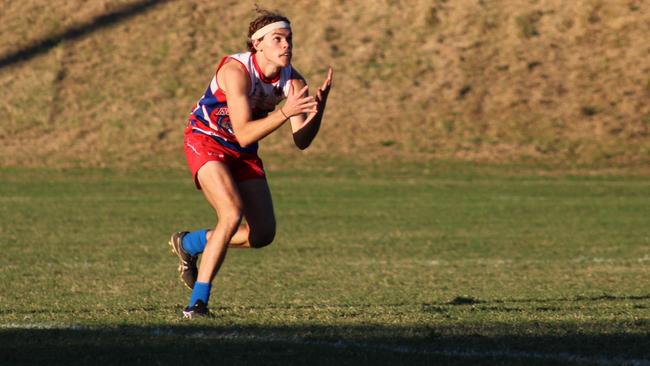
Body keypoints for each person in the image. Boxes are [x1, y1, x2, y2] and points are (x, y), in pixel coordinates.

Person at [168, 8, 333, 319]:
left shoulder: (294, 82)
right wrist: (284, 113)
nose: (287, 45)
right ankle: (197, 303)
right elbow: (243, 133)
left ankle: (191, 243)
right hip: (207, 140)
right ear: (257, 44)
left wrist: (318, 111)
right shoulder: (236, 71)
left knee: (263, 234)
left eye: (289, 39)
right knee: (230, 213)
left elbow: (302, 141)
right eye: (278, 39)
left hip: (241, 153)